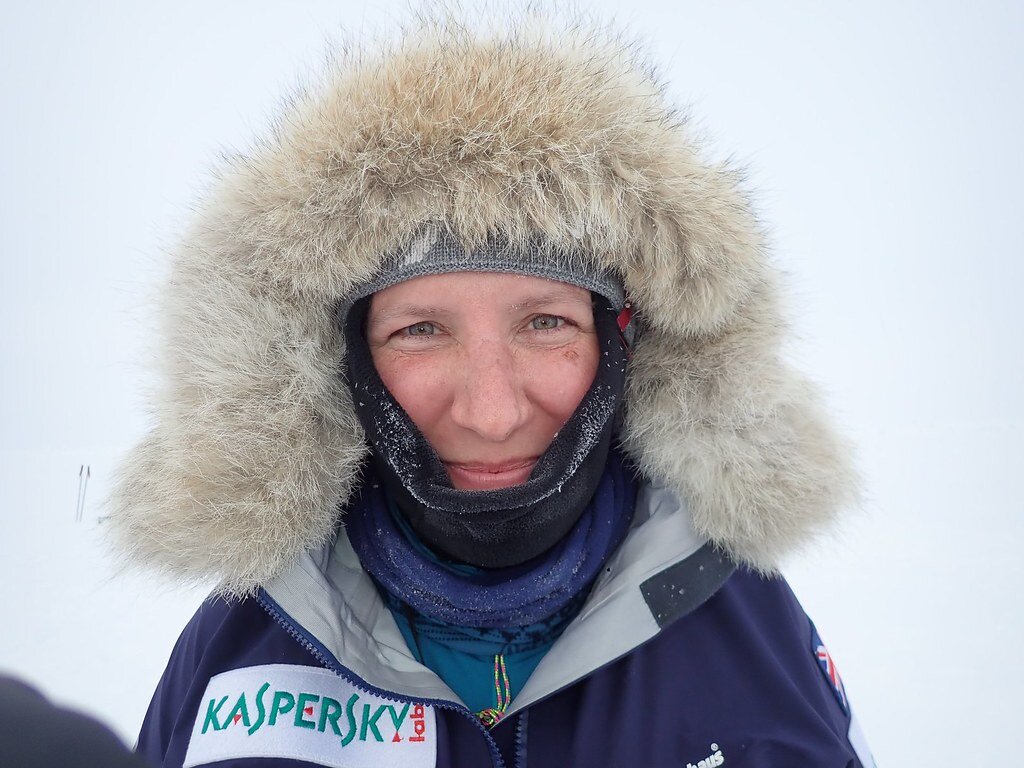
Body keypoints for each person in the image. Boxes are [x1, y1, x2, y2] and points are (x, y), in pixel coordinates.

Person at [109, 15, 876, 768]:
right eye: (420, 330)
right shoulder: (240, 655)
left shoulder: (753, 642)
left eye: (545, 323)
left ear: (624, 341)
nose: (492, 413)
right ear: (340, 360)